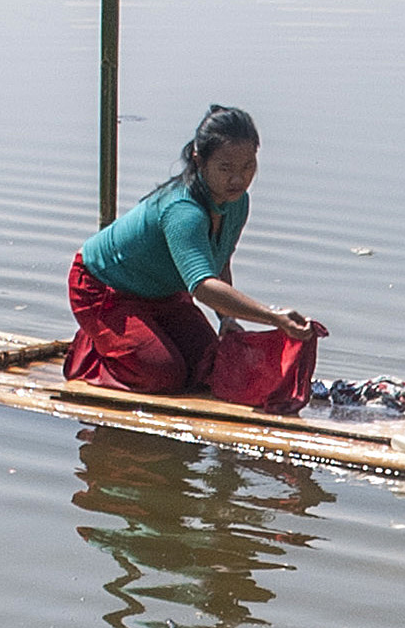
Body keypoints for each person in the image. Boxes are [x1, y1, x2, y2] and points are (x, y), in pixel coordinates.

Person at [66, 105, 323, 412]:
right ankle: (91, 351)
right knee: (163, 376)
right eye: (226, 168)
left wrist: (227, 319)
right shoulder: (183, 212)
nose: (239, 180)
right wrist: (273, 317)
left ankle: (133, 340)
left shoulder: (237, 203)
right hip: (102, 288)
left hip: (163, 293)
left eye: (248, 166)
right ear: (200, 161)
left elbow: (220, 259)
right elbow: (202, 286)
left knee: (207, 367)